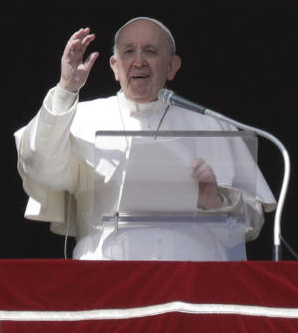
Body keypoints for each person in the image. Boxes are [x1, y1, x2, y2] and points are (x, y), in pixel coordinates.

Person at [14, 17, 276, 260]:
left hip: (191, 276)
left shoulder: (212, 126)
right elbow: (39, 167)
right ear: (115, 67)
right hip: (107, 277)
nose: (138, 61)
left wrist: (214, 202)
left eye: (150, 51)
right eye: (128, 52)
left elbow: (251, 224)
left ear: (172, 67)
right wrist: (65, 89)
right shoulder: (79, 118)